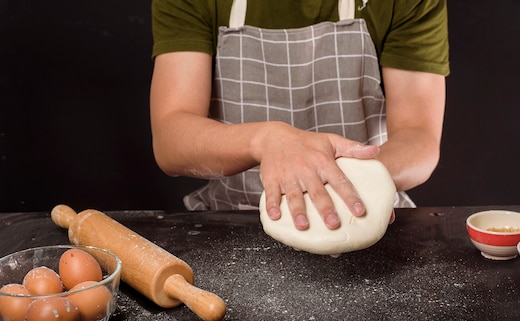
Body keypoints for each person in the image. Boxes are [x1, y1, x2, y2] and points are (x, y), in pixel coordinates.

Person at [150, 0, 450, 231]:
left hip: (361, 212)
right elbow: (171, 139)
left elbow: (418, 135)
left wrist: (355, 180)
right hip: (237, 220)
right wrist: (266, 140)